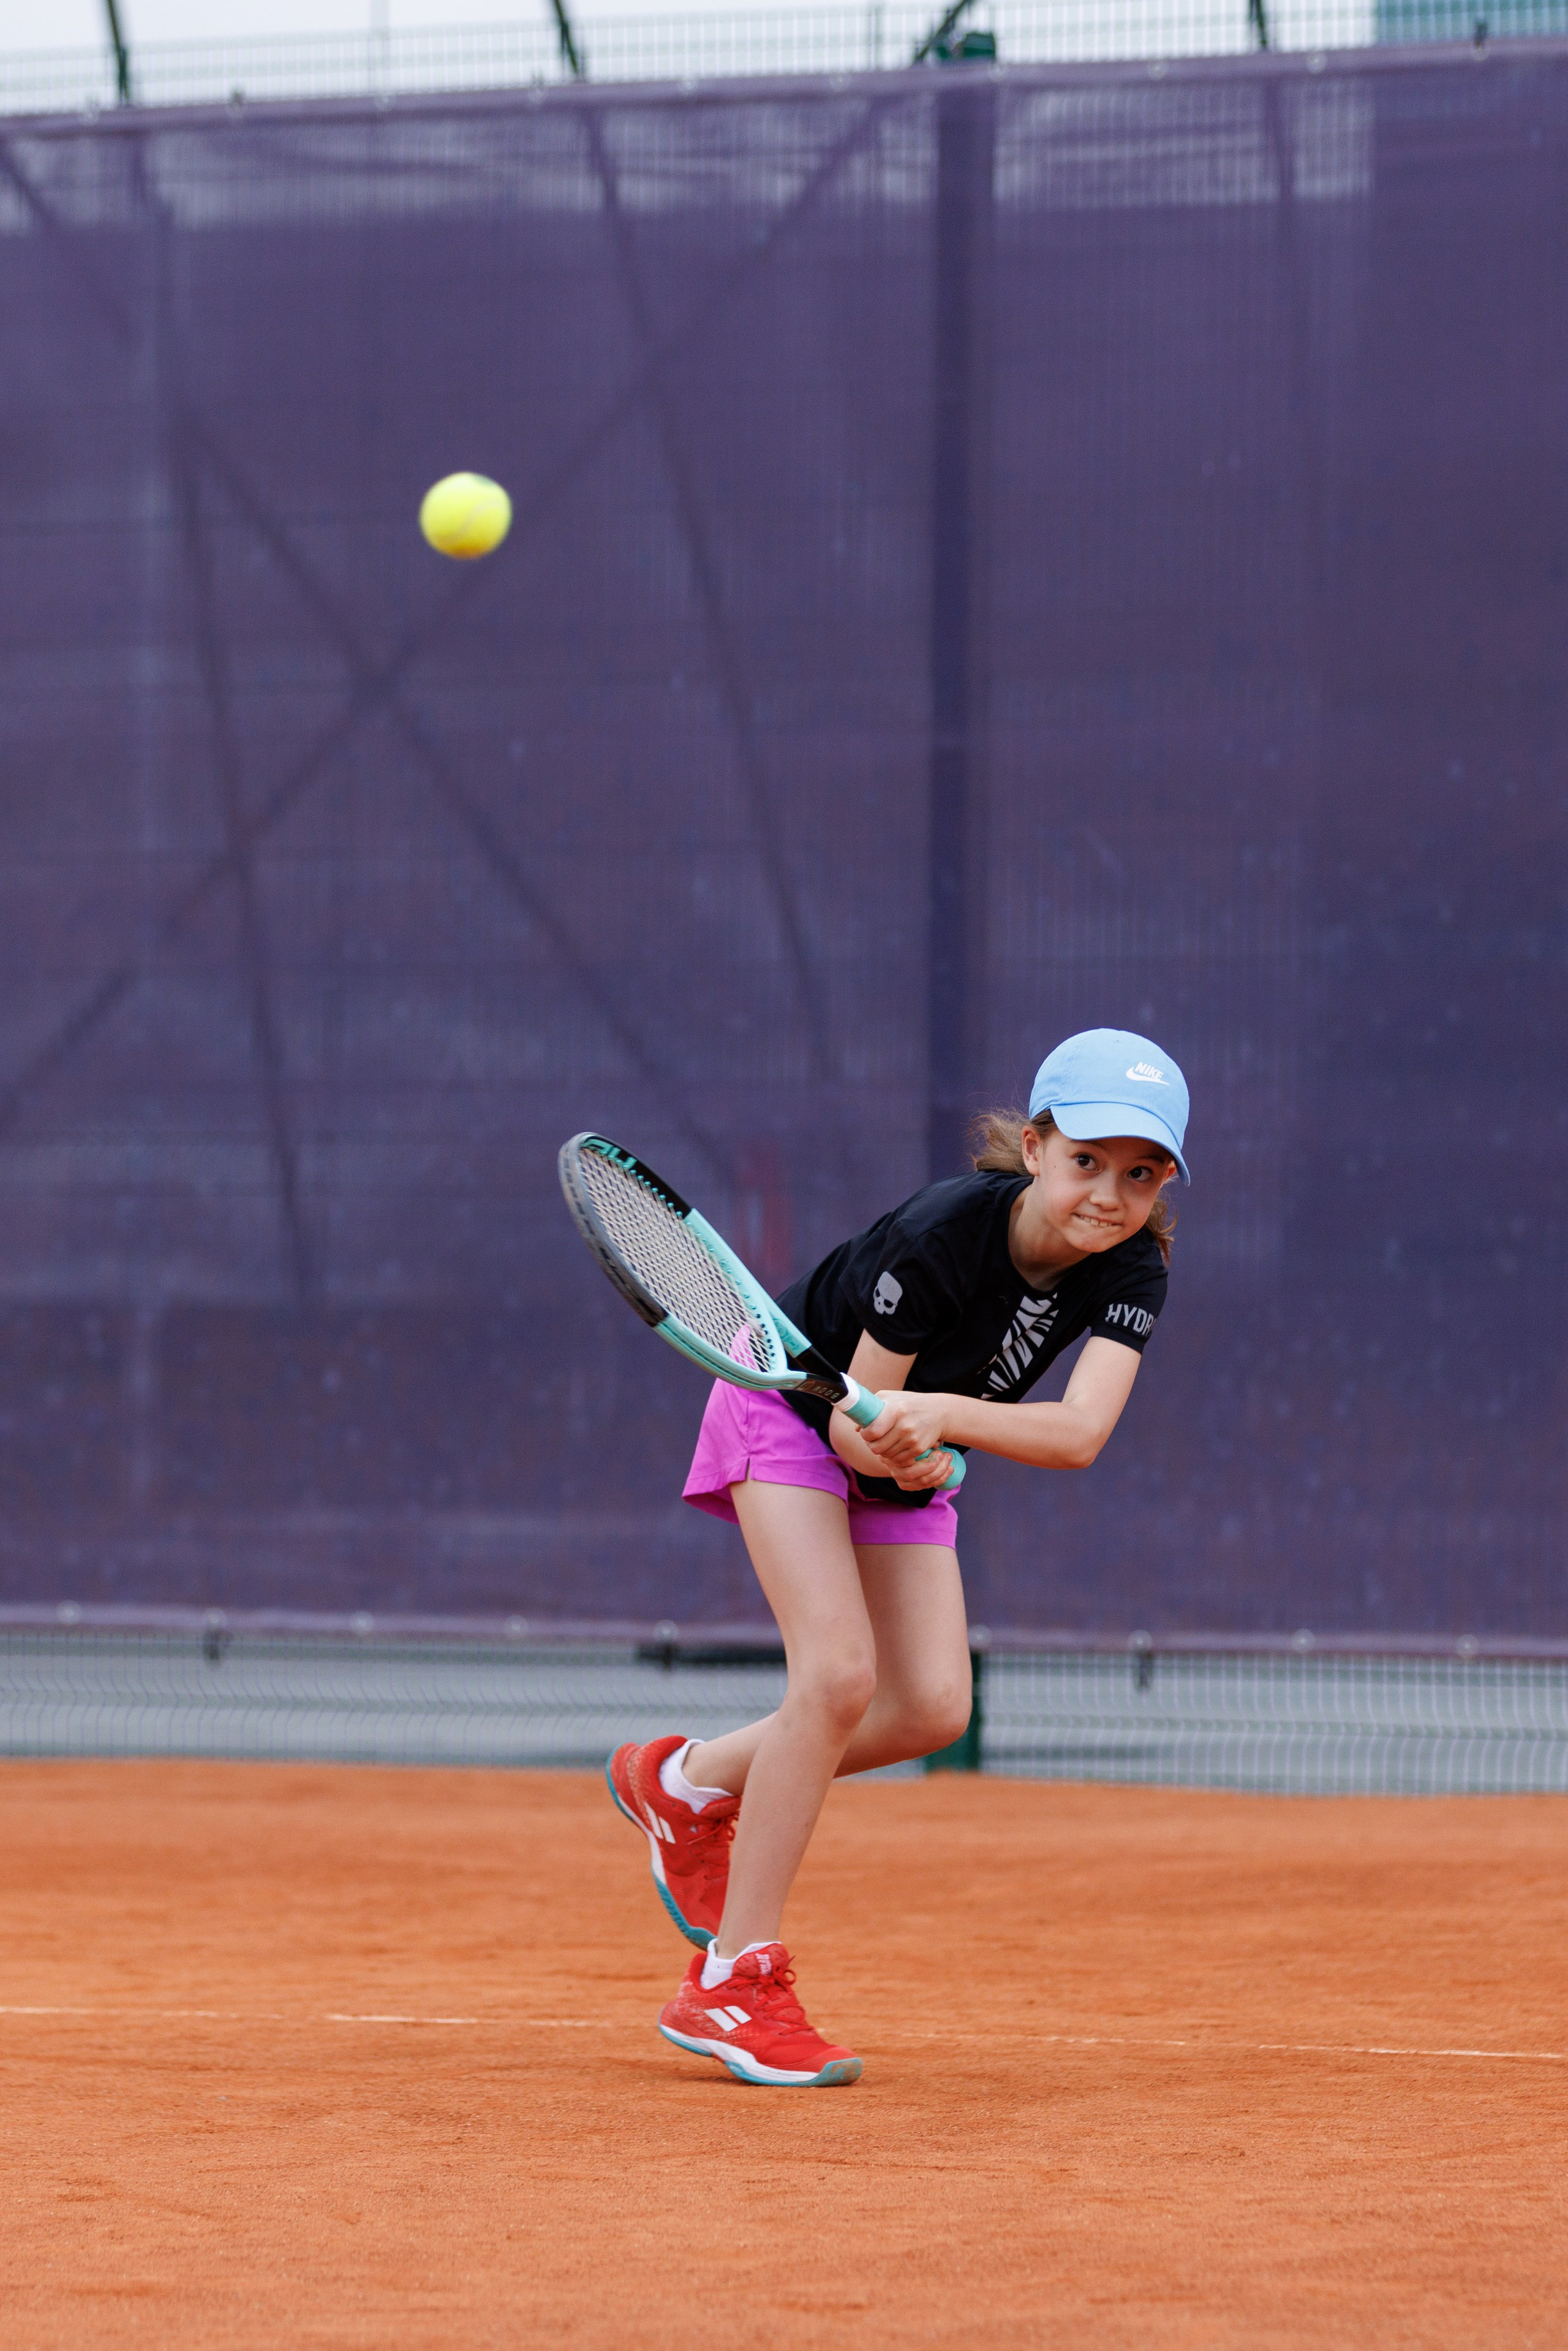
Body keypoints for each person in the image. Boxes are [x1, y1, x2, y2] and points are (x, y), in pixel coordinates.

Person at [608, 1029, 1189, 2087]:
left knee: (930, 1708)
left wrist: (935, 1430)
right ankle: (732, 1980)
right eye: (1088, 1161)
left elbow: (1080, 1431)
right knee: (836, 1675)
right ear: (1035, 1143)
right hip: (789, 1412)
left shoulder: (1134, 1265)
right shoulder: (940, 1233)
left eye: (1142, 1172)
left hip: (905, 1439)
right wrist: (913, 1436)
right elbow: (846, 1431)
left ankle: (683, 1780)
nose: (1111, 1193)